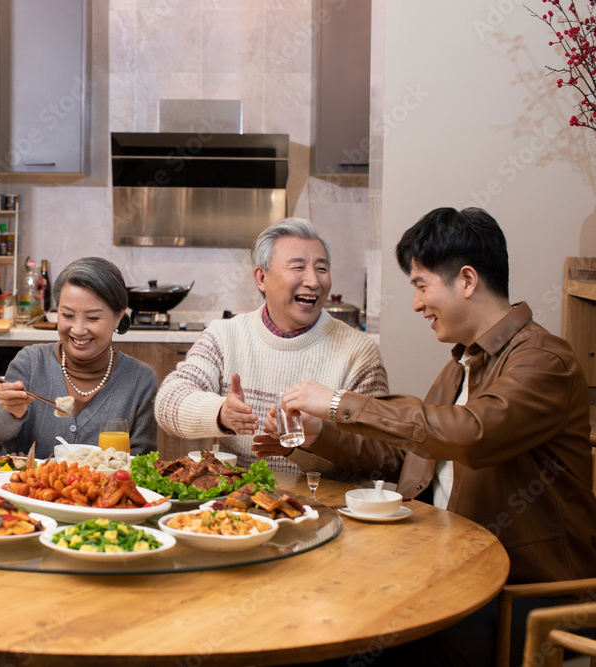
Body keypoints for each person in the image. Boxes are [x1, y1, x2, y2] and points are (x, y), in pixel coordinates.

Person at [255, 207, 596, 665]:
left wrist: (339, 402)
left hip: (521, 595)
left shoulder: (544, 361)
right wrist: (318, 433)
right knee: (312, 613)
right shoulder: (462, 365)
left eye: (420, 285)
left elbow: (470, 435)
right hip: (451, 569)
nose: (416, 303)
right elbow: (405, 453)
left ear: (468, 280)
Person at [155, 218, 388, 475]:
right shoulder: (225, 336)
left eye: (321, 269)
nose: (313, 281)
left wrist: (303, 444)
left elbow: (378, 459)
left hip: (330, 508)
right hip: (241, 507)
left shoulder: (359, 353)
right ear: (262, 278)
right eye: (298, 267)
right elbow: (168, 401)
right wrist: (221, 413)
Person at [0, 257, 159, 459]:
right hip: (26, 489)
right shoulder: (31, 362)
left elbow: (142, 461)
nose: (78, 329)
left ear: (118, 317)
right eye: (67, 315)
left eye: (93, 318)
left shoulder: (141, 380)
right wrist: (10, 410)